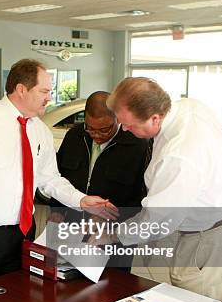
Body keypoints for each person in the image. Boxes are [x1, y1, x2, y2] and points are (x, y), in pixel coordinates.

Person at [0, 59, 116, 290]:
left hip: (22, 235)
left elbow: (49, 180)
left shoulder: (40, 130)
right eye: (44, 91)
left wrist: (81, 200)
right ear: (21, 89)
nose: (49, 98)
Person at [90, 77, 222, 302]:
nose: (125, 129)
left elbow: (157, 221)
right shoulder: (189, 106)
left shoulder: (178, 156)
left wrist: (109, 235)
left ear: (155, 117)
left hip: (216, 234)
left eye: (129, 124)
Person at [49, 91, 151, 270]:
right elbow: (59, 176)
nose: (96, 135)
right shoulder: (75, 136)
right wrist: (57, 210)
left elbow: (143, 198)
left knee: (112, 287)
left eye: (104, 129)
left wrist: (110, 219)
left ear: (117, 118)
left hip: (114, 235)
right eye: (90, 128)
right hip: (73, 230)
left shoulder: (137, 144)